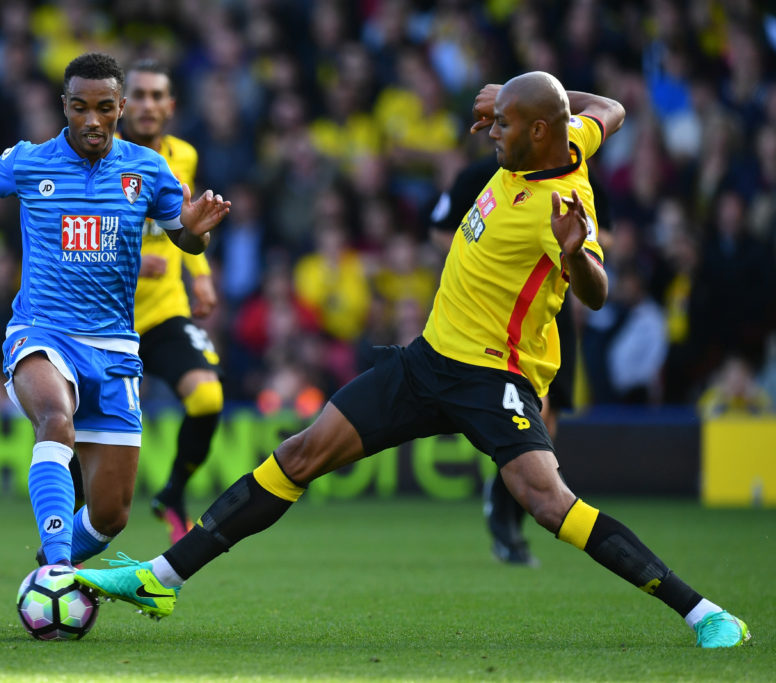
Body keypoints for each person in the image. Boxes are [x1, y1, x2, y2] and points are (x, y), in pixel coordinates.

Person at [74, 71, 750, 648]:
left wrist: (576, 256)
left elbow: (597, 293)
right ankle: (161, 578)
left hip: (494, 377)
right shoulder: (566, 135)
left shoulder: (560, 204)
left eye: (507, 122)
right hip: (427, 362)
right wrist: (520, 94)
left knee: (547, 502)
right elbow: (612, 108)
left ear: (539, 133)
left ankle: (702, 611)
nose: (491, 130)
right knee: (302, 452)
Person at [0, 52, 230, 569]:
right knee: (56, 419)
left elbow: (184, 239)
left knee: (111, 516)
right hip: (43, 331)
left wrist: (196, 229)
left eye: (102, 108)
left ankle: (54, 562)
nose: (91, 121)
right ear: (64, 106)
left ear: (120, 107)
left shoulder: (148, 169)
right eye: (78, 107)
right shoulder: (30, 160)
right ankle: (55, 572)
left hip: (116, 347)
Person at [429, 149, 612, 567]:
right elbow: (439, 229)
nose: (495, 133)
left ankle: (506, 501)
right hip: (482, 317)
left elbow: (607, 238)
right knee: (527, 418)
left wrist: (574, 245)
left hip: (547, 311)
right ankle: (506, 514)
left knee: (549, 417)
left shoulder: (572, 178)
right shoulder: (477, 175)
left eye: (503, 124)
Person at [120, 59, 225, 544]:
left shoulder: (183, 155)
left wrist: (200, 274)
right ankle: (65, 546)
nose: (146, 105)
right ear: (121, 105)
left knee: (208, 397)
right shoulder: (103, 158)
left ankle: (174, 492)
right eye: (137, 95)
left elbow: (187, 223)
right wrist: (135, 260)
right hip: (107, 317)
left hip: (163, 310)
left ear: (170, 105)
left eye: (155, 95)